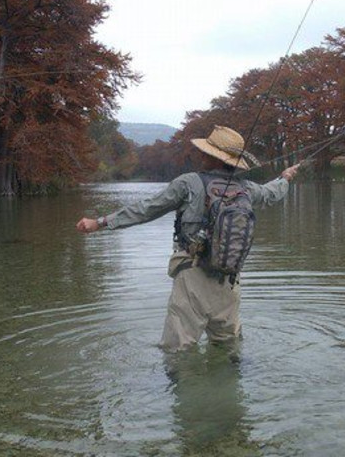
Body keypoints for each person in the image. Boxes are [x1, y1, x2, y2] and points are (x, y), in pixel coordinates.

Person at [76, 125, 299, 352]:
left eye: (206, 152)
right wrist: (285, 178)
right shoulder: (246, 188)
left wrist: (101, 222)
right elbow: (272, 193)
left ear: (213, 157)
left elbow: (148, 209)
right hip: (229, 280)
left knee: (177, 353)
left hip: (192, 277)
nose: (200, 155)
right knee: (228, 349)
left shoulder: (189, 183)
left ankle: (183, 386)